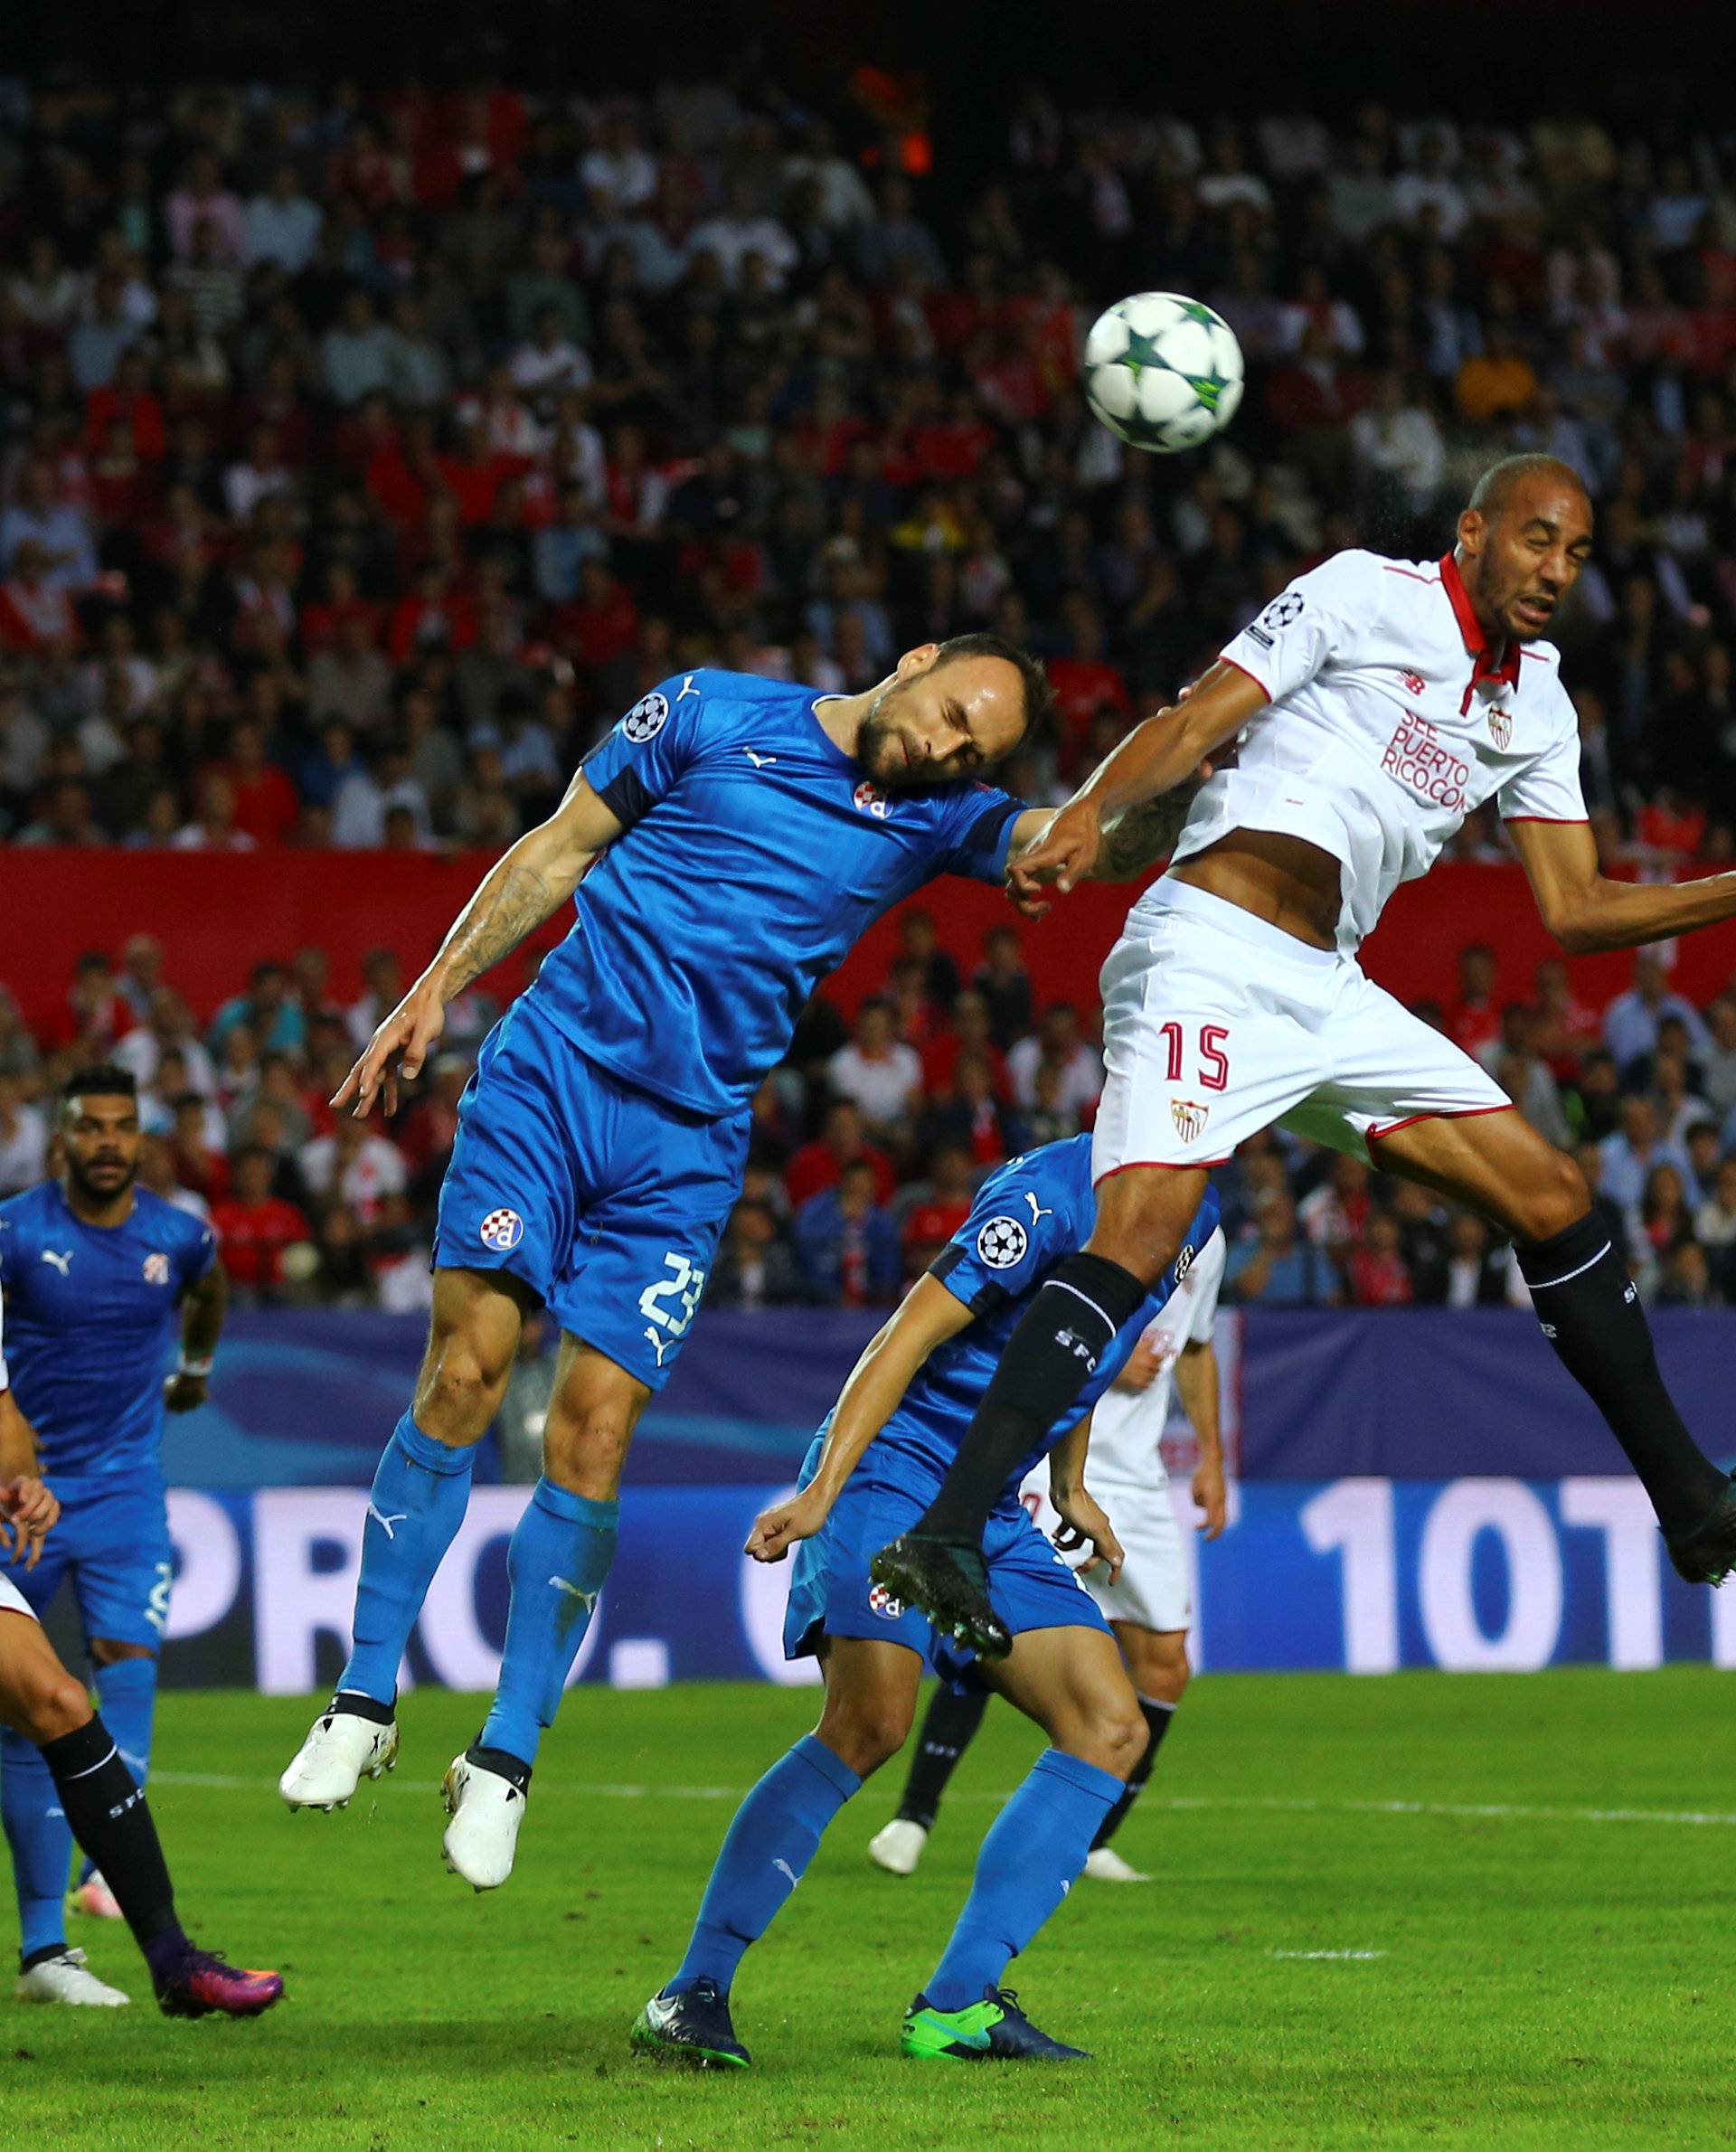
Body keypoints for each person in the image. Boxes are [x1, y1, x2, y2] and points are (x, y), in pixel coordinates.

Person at [278, 637, 1188, 1886]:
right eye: (948, 716)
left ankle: (503, 1759)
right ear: (916, 663)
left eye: (973, 750)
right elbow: (559, 842)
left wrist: (1193, 765)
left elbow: (1079, 840)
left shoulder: (938, 820)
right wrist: (437, 987)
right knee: (465, 1372)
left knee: (593, 1435)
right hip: (551, 1074)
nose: (946, 750)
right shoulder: (708, 712)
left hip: (689, 1142)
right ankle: (363, 1701)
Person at [873, 456, 1736, 1657]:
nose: (1556, 570)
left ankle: (1690, 1501)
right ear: (1475, 532)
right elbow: (1194, 722)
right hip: (1210, 948)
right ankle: (947, 1530)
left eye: (1578, 553)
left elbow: (1578, 910)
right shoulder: (1361, 591)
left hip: (1331, 989)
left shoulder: (1537, 702)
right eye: (1537, 540)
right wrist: (1084, 815)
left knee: (1553, 1192)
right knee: (1138, 1237)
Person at [631, 1137, 1219, 2068]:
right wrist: (824, 1489)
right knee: (870, 1722)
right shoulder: (1050, 1196)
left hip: (988, 1498)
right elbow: (905, 1332)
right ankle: (689, 1990)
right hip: (891, 1470)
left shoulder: (1195, 1210)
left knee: (1109, 1722)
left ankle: (958, 2004)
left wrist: (1069, 1481)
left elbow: (1085, 1347)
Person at [0, 1071, 265, 2012]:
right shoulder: (16, 1231)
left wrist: (195, 1367)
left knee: (126, 1658)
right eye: (90, 1128)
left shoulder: (178, 1234)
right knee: (30, 1705)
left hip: (122, 1490)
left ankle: (106, 1879)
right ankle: (46, 1941)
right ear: (61, 1140)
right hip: (19, 1488)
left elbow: (212, 1286)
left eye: (123, 1128)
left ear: (140, 1143)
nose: (107, 1143)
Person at [870, 1223, 1228, 1884]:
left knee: (1166, 1663)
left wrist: (1212, 1456)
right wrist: (1112, 1364)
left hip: (1142, 1482)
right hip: (1055, 1467)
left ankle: (1091, 1840)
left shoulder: (1211, 1238)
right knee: (990, 1629)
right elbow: (1049, 1328)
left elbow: (1197, 1346)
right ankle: (914, 1816)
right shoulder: (1110, 1210)